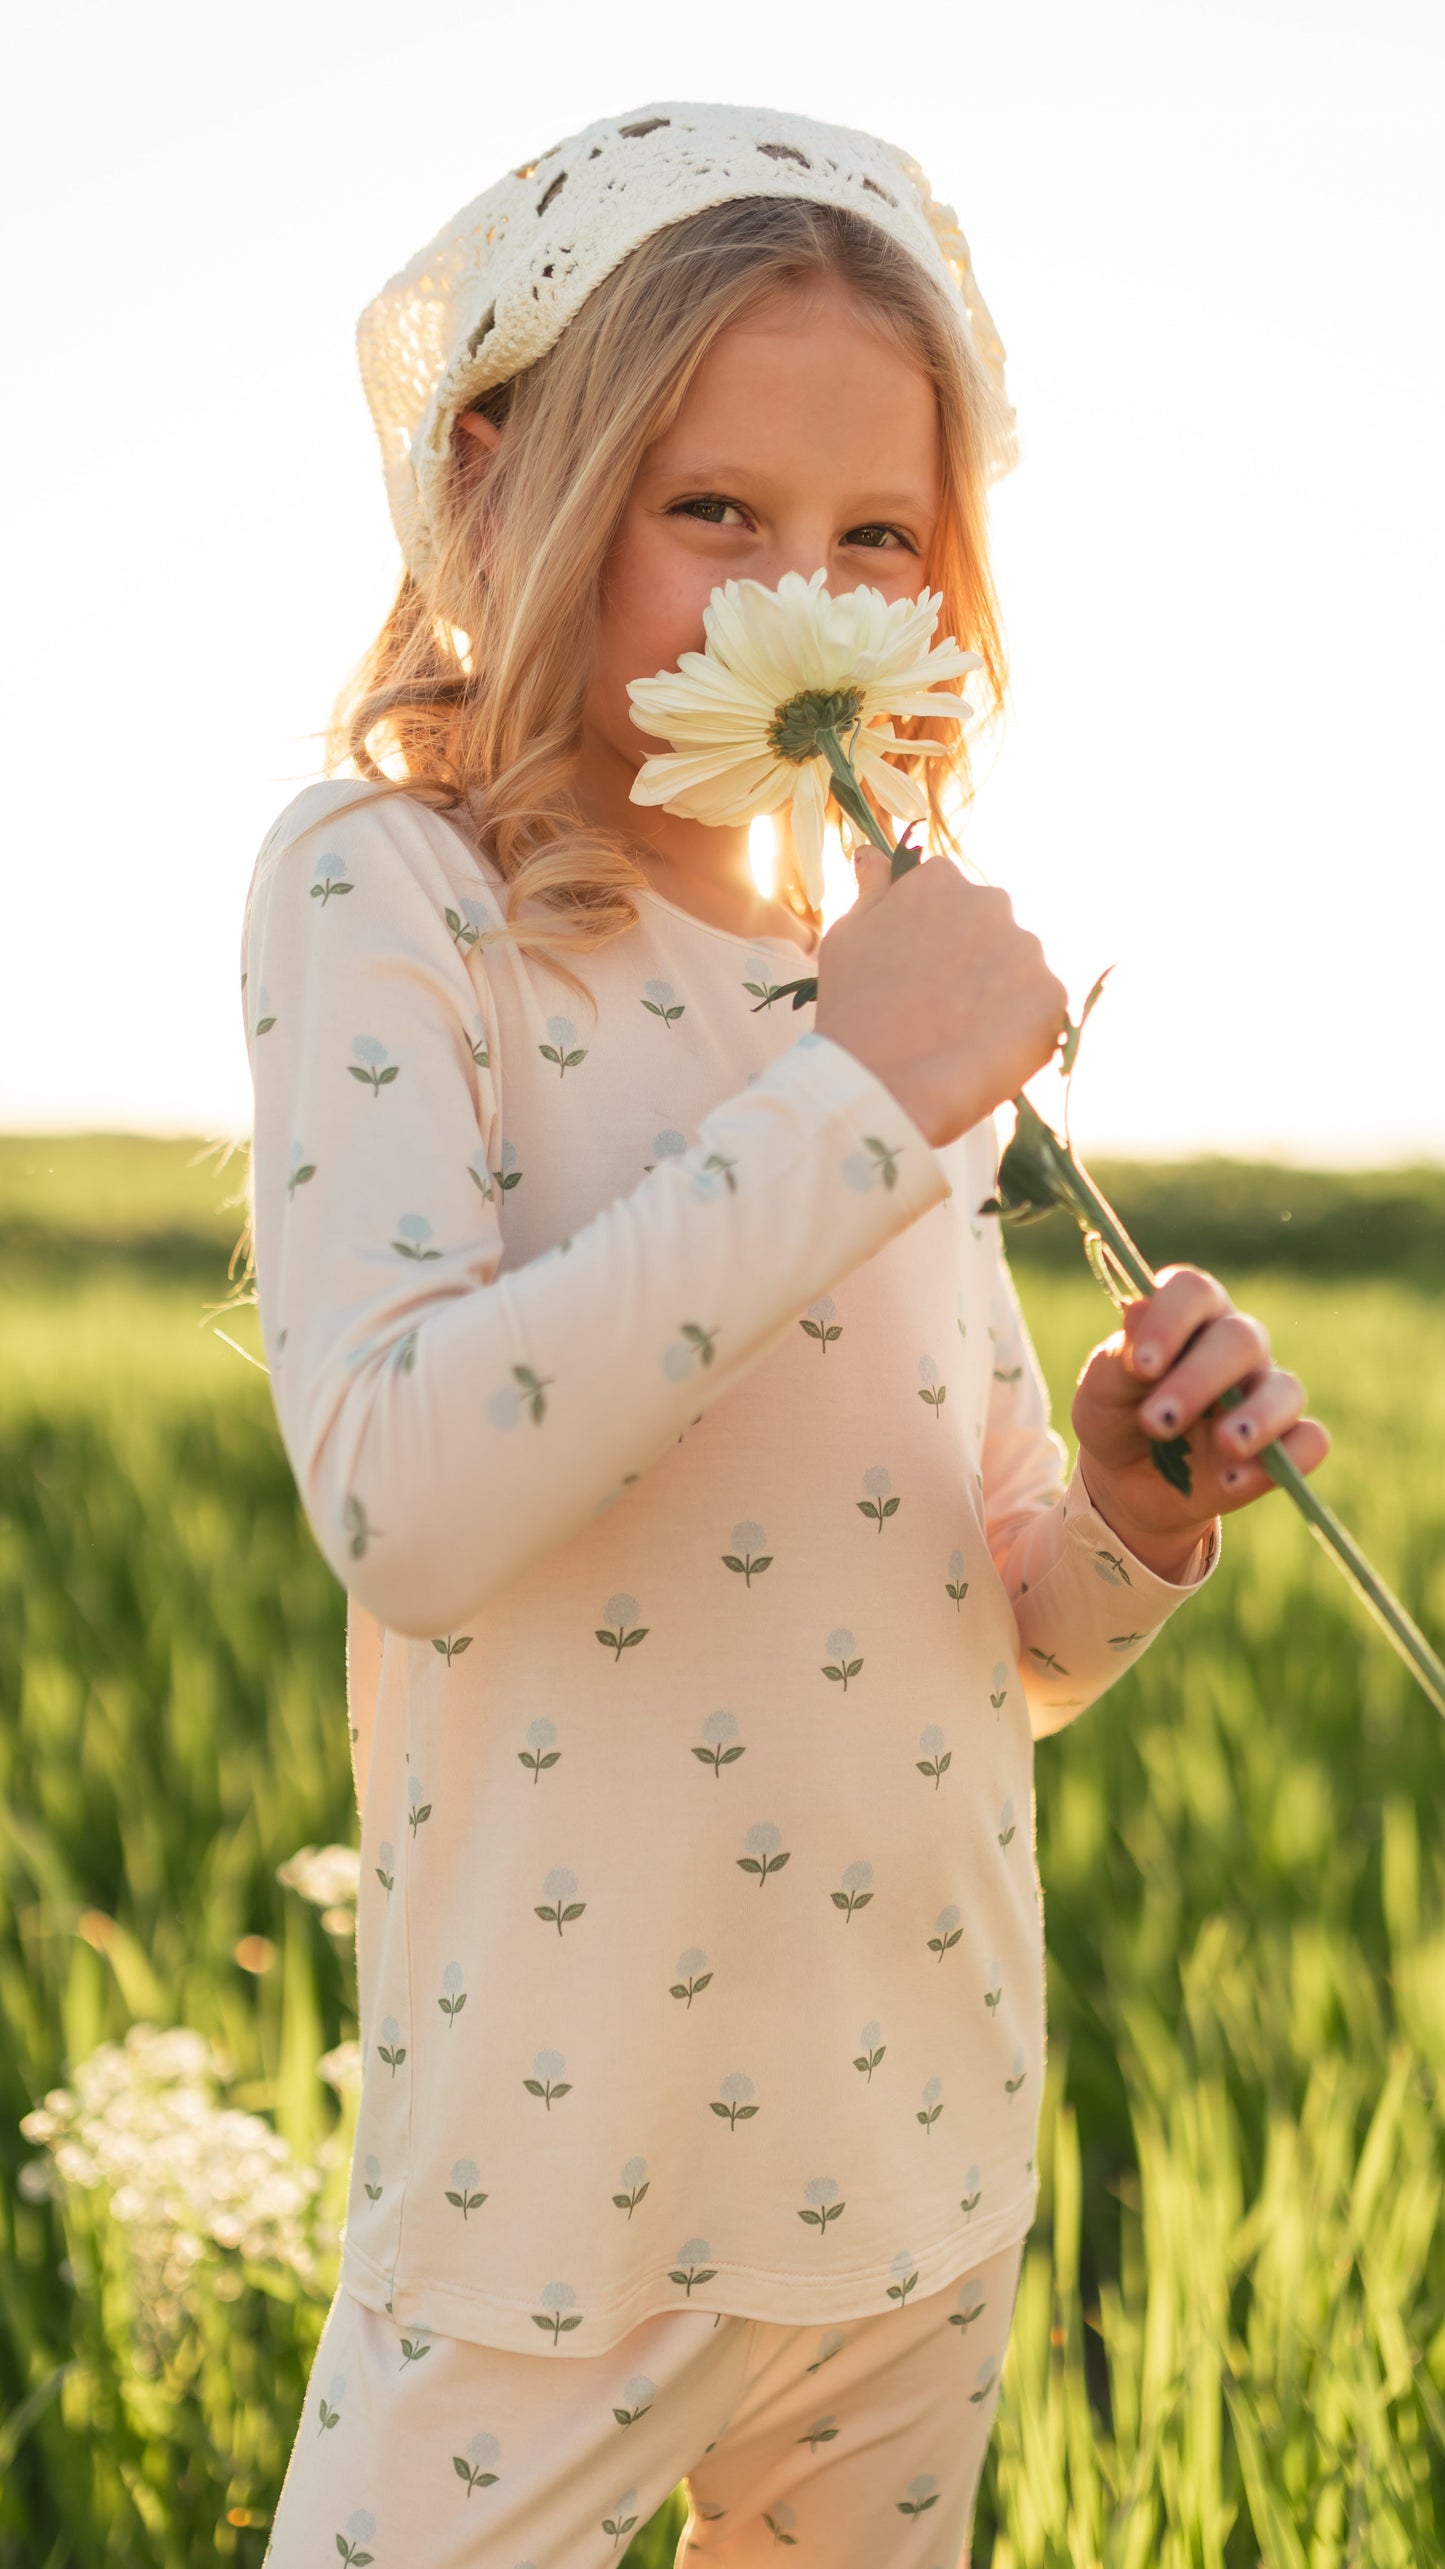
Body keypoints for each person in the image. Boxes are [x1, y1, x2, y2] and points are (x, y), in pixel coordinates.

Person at [244, 100, 1328, 2568]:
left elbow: (989, 1640)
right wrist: (862, 1088)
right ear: (502, 490)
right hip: (544, 2203)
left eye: (876, 541)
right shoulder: (393, 888)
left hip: (916, 2154)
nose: (799, 603)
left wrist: (1129, 1516)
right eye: (714, 513)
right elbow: (406, 1497)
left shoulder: (868, 963)